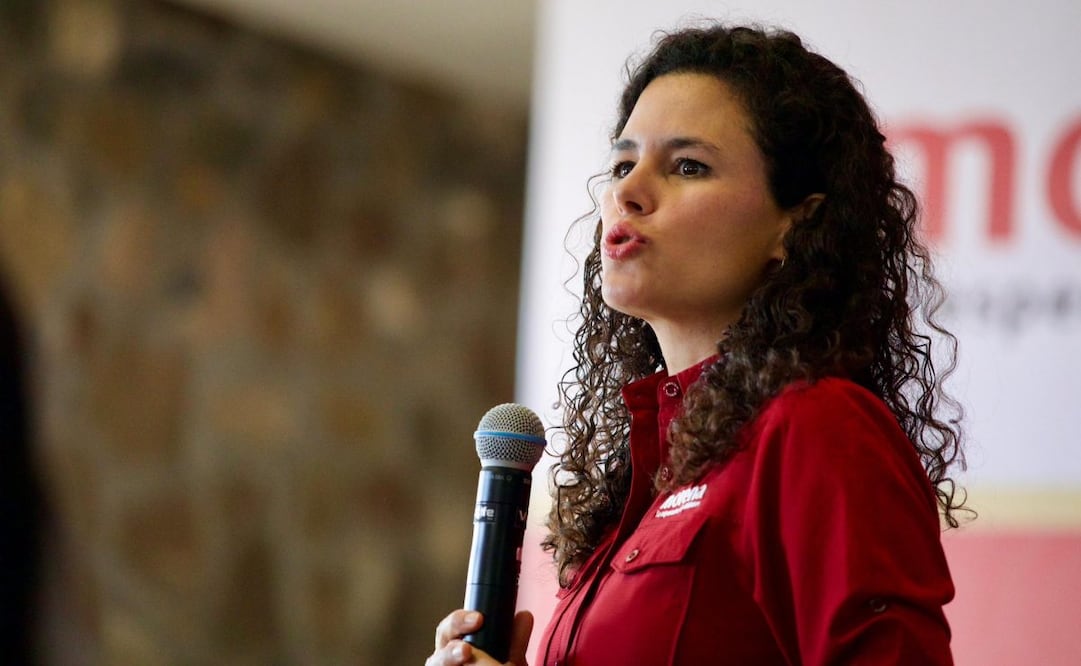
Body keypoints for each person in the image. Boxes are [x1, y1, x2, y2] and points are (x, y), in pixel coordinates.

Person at [428, 22, 967, 665]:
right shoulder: (655, 465)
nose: (626, 192)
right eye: (623, 164)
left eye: (688, 166)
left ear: (795, 224)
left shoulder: (815, 427)